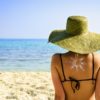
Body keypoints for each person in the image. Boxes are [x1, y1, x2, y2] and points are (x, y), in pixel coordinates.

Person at [48, 16, 100, 100]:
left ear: (65, 39)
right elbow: (99, 96)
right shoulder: (97, 60)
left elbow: (59, 96)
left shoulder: (57, 60)